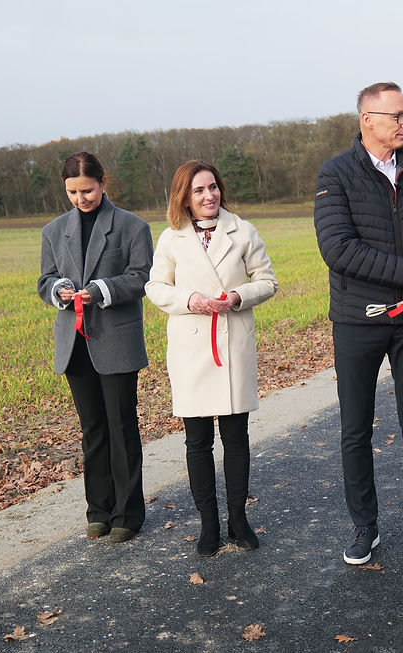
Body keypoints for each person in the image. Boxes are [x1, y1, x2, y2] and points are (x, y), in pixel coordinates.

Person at [314, 82, 403, 569]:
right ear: (367, 120)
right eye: (397, 115)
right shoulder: (335, 173)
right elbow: (339, 250)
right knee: (356, 429)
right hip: (358, 320)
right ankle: (365, 528)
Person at [146, 161, 278, 557]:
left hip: (232, 341)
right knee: (198, 441)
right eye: (199, 190)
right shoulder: (171, 238)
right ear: (184, 198)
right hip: (191, 346)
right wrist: (191, 300)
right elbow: (155, 286)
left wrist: (238, 296)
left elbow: (267, 281)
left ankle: (238, 520)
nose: (209, 196)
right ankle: (208, 523)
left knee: (236, 439)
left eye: (213, 187)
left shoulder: (243, 231)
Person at [38, 151, 153, 543]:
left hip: (116, 341)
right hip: (75, 344)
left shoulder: (132, 227)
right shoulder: (53, 231)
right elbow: (45, 279)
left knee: (122, 426)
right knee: (93, 429)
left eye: (86, 190)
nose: (80, 198)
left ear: (103, 183)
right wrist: (58, 290)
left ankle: (128, 514)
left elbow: (142, 278)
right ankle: (98, 511)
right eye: (72, 192)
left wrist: (101, 290)